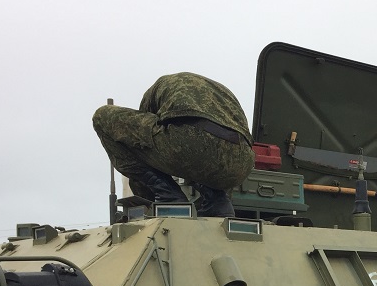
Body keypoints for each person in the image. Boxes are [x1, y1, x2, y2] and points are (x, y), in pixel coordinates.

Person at [92, 72, 255, 218]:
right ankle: (218, 202)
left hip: (193, 145)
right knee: (196, 150)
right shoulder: (215, 92)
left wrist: (147, 203)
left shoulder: (153, 95)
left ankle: (168, 196)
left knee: (102, 116)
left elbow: (142, 148)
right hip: (242, 163)